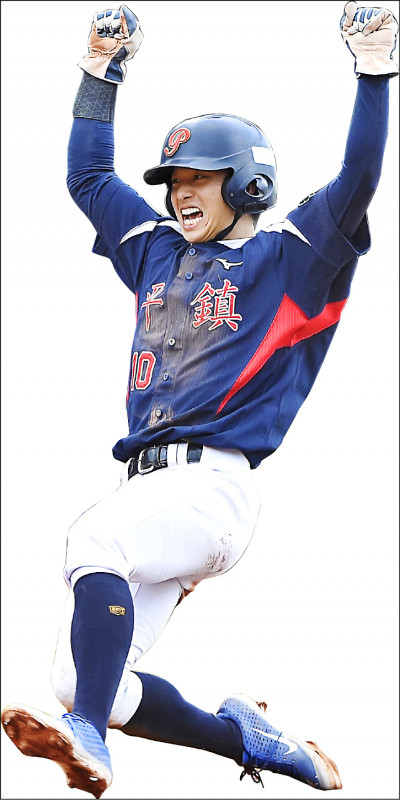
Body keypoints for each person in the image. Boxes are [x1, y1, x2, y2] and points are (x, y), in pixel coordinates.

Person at [1, 1, 398, 797]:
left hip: (214, 486)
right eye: (175, 180)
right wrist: (100, 72)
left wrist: (374, 71)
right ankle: (252, 743)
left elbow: (357, 178)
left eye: (199, 177)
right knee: (80, 682)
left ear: (248, 182)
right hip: (155, 494)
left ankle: (89, 743)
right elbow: (87, 178)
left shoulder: (292, 257)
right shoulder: (156, 251)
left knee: (92, 541)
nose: (180, 192)